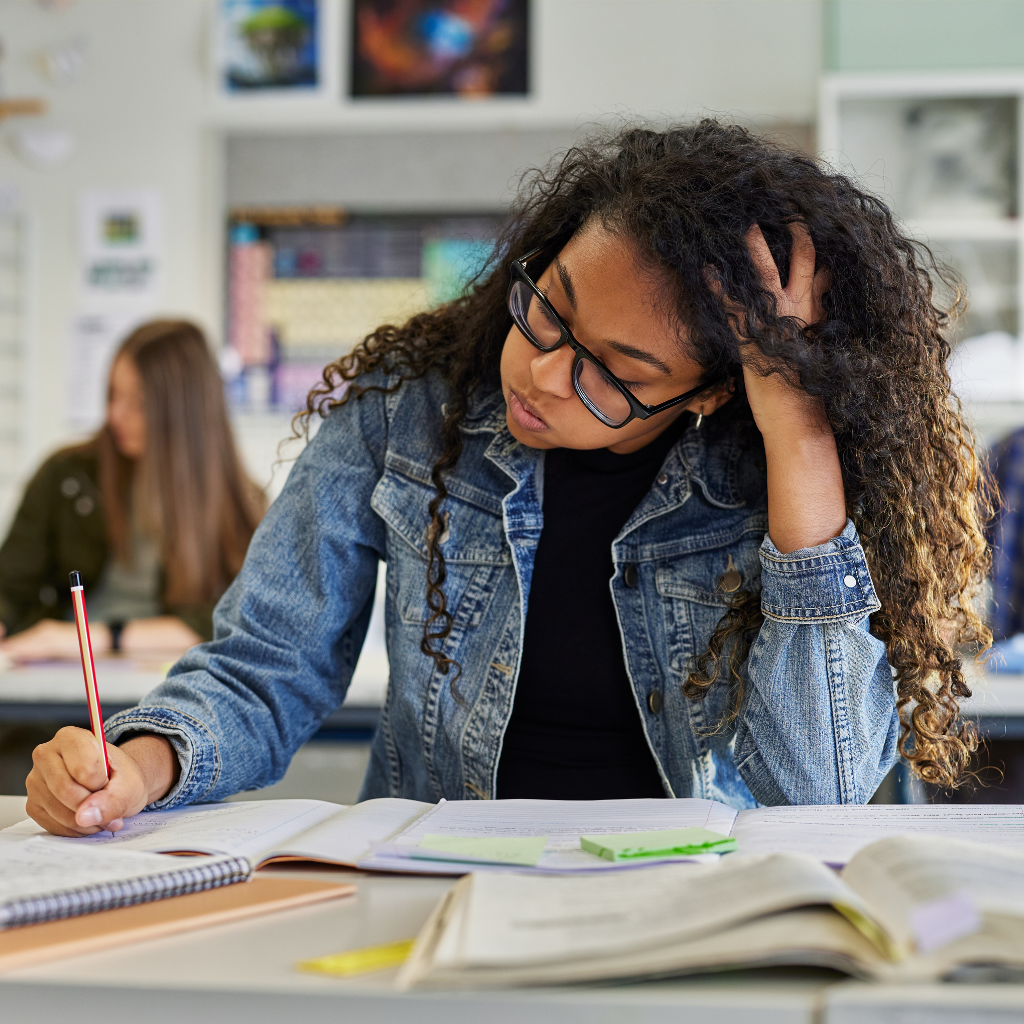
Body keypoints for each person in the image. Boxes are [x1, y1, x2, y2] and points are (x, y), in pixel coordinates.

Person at [26, 122, 992, 838]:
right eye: (551, 308)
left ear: (708, 394)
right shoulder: (405, 406)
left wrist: (799, 434)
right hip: (436, 890)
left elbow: (815, 791)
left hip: (693, 907)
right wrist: (138, 766)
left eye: (615, 373)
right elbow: (265, 666)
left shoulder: (773, 467)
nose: (538, 372)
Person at [0, 319, 265, 661]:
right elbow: (10, 586)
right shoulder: (65, 476)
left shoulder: (238, 503)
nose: (115, 415)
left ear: (184, 412)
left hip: (171, 689)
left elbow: (234, 620)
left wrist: (95, 637)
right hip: (62, 679)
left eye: (137, 402)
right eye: (113, 395)